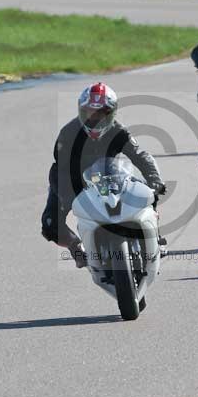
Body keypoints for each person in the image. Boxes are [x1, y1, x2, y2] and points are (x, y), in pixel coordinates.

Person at [41, 82, 167, 266]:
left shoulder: (119, 130)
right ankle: (77, 248)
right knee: (50, 223)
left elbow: (140, 155)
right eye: (90, 113)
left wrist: (155, 181)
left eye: (100, 113)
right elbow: (59, 169)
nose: (94, 118)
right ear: (81, 111)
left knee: (147, 194)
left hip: (110, 174)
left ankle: (155, 237)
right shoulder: (68, 133)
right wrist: (68, 196)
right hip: (70, 179)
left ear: (111, 113)